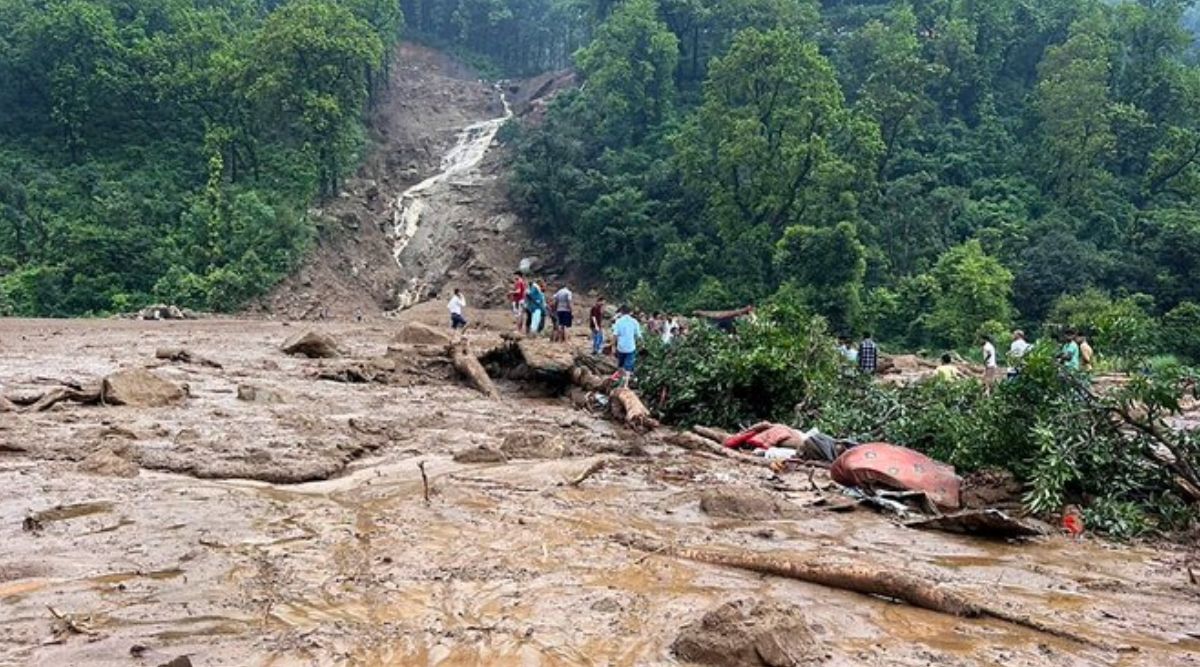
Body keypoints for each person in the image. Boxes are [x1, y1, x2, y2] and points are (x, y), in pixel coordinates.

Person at [612, 305, 642, 375]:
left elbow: (615, 335)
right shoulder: (634, 322)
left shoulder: (618, 321)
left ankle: (620, 378)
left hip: (621, 347)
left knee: (620, 364)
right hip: (630, 347)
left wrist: (613, 346)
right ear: (630, 312)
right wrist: (642, 345)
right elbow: (639, 335)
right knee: (628, 367)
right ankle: (625, 384)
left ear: (621, 312)